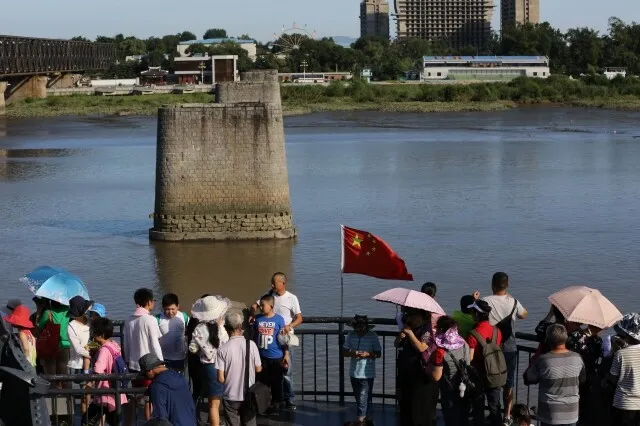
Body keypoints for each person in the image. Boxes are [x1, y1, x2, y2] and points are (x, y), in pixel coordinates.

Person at [249, 272, 302, 410]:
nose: (272, 285)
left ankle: (288, 399)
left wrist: (288, 326)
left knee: (286, 372)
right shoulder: (269, 295)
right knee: (267, 375)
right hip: (268, 342)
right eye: (271, 283)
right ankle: (269, 400)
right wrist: (252, 313)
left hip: (285, 339)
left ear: (283, 283)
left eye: (274, 283)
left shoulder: (291, 298)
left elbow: (299, 318)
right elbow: (255, 305)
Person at [483, 272, 528, 426]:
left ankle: (494, 414)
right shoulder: (513, 301)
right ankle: (507, 416)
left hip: (491, 348)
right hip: (510, 347)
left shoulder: (485, 301)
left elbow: (475, 315)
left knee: (493, 382)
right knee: (508, 384)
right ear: (507, 285)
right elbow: (524, 314)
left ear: (492, 285)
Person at [524, 324, 585, 426]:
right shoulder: (577, 358)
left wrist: (536, 359)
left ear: (548, 339)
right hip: (571, 413)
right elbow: (582, 379)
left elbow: (528, 379)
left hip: (550, 414)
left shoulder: (544, 360)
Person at [189, 295, 230, 426]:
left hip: (206, 368)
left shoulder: (198, 329)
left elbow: (192, 349)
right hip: (221, 367)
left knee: (211, 403)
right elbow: (227, 344)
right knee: (215, 404)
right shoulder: (221, 328)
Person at [123, 288, 163, 421]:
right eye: (153, 301)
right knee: (149, 399)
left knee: (135, 396)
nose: (154, 303)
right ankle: (149, 422)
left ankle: (130, 422)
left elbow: (126, 344)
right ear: (148, 302)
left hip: (133, 364)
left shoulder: (129, 319)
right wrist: (161, 363)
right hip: (149, 365)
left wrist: (128, 360)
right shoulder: (149, 319)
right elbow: (155, 343)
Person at [217, 311, 263, 426]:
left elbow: (221, 379)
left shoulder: (222, 349)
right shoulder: (251, 344)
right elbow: (258, 369)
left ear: (226, 328)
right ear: (240, 327)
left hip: (230, 395)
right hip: (249, 394)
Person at [395, 306, 438, 426]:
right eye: (407, 315)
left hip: (420, 370)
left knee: (419, 403)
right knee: (406, 401)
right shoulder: (408, 327)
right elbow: (396, 344)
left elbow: (421, 347)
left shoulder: (426, 328)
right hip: (405, 368)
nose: (409, 318)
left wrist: (409, 333)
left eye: (412, 315)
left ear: (420, 316)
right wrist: (400, 337)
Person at [466, 300, 503, 426]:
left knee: (478, 407)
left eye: (472, 312)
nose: (471, 314)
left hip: (478, 375)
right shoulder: (497, 331)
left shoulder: (473, 335)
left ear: (477, 314)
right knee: (495, 406)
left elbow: (469, 358)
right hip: (494, 373)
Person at [429, 315, 470, 426]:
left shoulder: (440, 351)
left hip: (449, 389)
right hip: (464, 385)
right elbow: (468, 361)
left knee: (451, 418)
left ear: (441, 330)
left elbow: (436, 376)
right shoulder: (464, 343)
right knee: (463, 417)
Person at [253, 294, 290, 415]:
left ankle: (277, 405)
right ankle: (263, 405)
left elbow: (283, 339)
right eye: (260, 306)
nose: (261, 308)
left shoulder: (279, 319)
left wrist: (286, 353)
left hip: (276, 357)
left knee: (276, 382)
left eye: (263, 306)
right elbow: (253, 336)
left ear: (271, 306)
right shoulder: (257, 319)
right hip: (261, 357)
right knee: (262, 382)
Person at [87, 317, 128, 426]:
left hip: (105, 393)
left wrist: (89, 383)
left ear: (100, 335)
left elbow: (98, 370)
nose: (92, 336)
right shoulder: (114, 345)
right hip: (117, 392)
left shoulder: (104, 350)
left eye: (93, 333)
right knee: (114, 421)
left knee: (87, 420)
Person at [343, 314, 381, 425]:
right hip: (353, 372)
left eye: (362, 328)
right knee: (361, 399)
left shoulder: (373, 336)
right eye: (357, 328)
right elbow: (344, 352)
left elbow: (378, 353)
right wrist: (353, 353)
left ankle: (360, 420)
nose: (359, 330)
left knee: (363, 398)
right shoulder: (351, 335)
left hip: (367, 373)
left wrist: (368, 354)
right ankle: (367, 420)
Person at [140, 353, 197, 426]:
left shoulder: (157, 386)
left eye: (144, 374)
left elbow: (161, 419)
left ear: (149, 370)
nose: (145, 377)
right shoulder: (182, 378)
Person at [606, 313, 640, 426]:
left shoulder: (621, 354)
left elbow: (612, 377)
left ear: (626, 334)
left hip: (624, 404)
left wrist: (614, 351)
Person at [66, 295, 94, 415]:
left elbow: (95, 339)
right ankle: (84, 419)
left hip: (92, 363)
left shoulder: (91, 322)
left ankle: (90, 418)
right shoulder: (71, 326)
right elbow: (78, 348)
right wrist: (93, 354)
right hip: (78, 365)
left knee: (90, 394)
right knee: (84, 396)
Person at [37, 299, 71, 382]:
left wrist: (39, 311)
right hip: (65, 344)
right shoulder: (67, 311)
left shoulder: (48, 312)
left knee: (50, 372)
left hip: (51, 344)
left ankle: (53, 393)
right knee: (64, 372)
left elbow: (39, 326)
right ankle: (68, 393)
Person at [186, 293, 210, 402]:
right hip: (202, 361)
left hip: (194, 359)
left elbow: (190, 342)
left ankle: (194, 412)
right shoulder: (207, 322)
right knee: (207, 391)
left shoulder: (193, 319)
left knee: (196, 390)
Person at [156, 293, 188, 372]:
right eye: (167, 309)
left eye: (173, 309)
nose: (170, 312)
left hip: (180, 357)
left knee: (179, 380)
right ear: (163, 307)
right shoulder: (158, 318)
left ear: (178, 306)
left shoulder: (184, 317)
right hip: (164, 358)